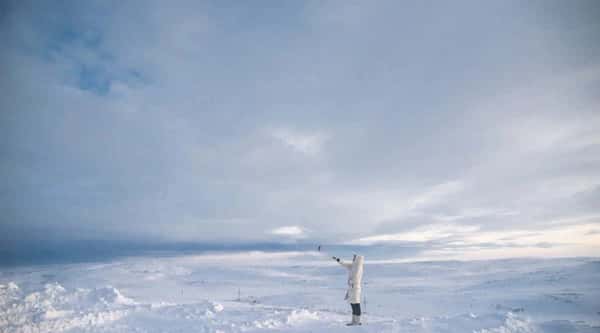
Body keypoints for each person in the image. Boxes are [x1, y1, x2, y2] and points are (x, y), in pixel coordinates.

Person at [332, 254, 364, 326]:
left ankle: (357, 321)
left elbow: (356, 277)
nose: (353, 258)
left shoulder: (358, 267)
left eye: (354, 257)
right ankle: (354, 321)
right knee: (352, 303)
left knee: (356, 304)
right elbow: (345, 264)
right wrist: (338, 260)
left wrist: (351, 282)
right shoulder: (353, 266)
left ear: (357, 258)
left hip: (355, 288)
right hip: (351, 288)